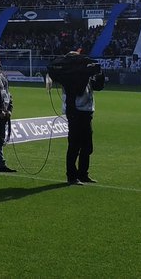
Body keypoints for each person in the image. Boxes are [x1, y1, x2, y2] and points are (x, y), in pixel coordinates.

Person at [50, 52, 106, 185]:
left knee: (87, 146)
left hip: (86, 112)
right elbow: (78, 89)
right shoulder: (69, 76)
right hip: (75, 112)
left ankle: (83, 174)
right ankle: (71, 176)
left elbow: (98, 86)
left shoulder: (83, 75)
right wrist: (86, 72)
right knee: (74, 145)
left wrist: (100, 74)